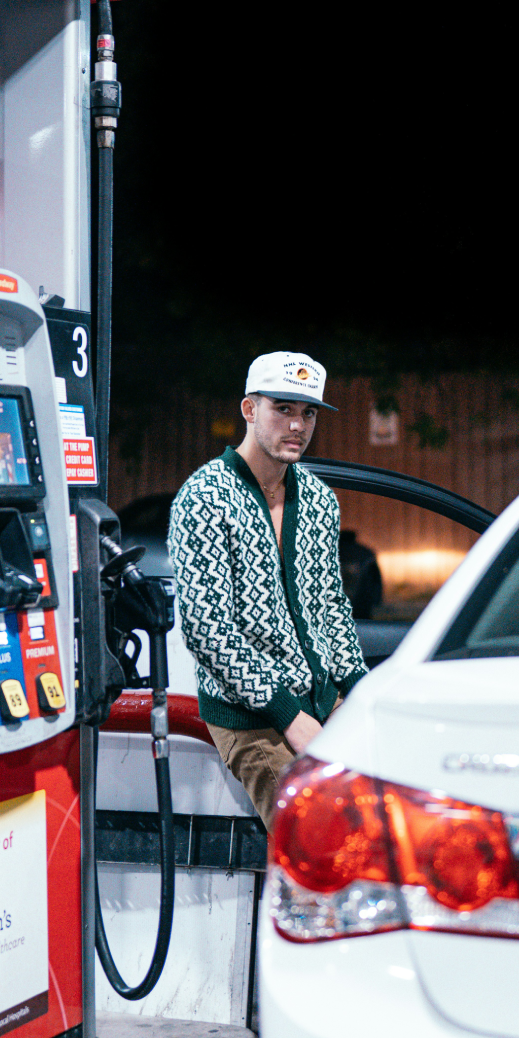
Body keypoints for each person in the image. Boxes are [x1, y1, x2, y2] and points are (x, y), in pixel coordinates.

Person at [168, 351, 369, 831]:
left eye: (308, 412)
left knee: (388, 821)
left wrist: (359, 691)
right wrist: (288, 714)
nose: (297, 425)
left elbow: (331, 609)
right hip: (251, 717)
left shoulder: (319, 499)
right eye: (283, 408)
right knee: (326, 836)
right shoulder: (204, 496)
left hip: (324, 703)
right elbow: (207, 630)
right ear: (249, 409)